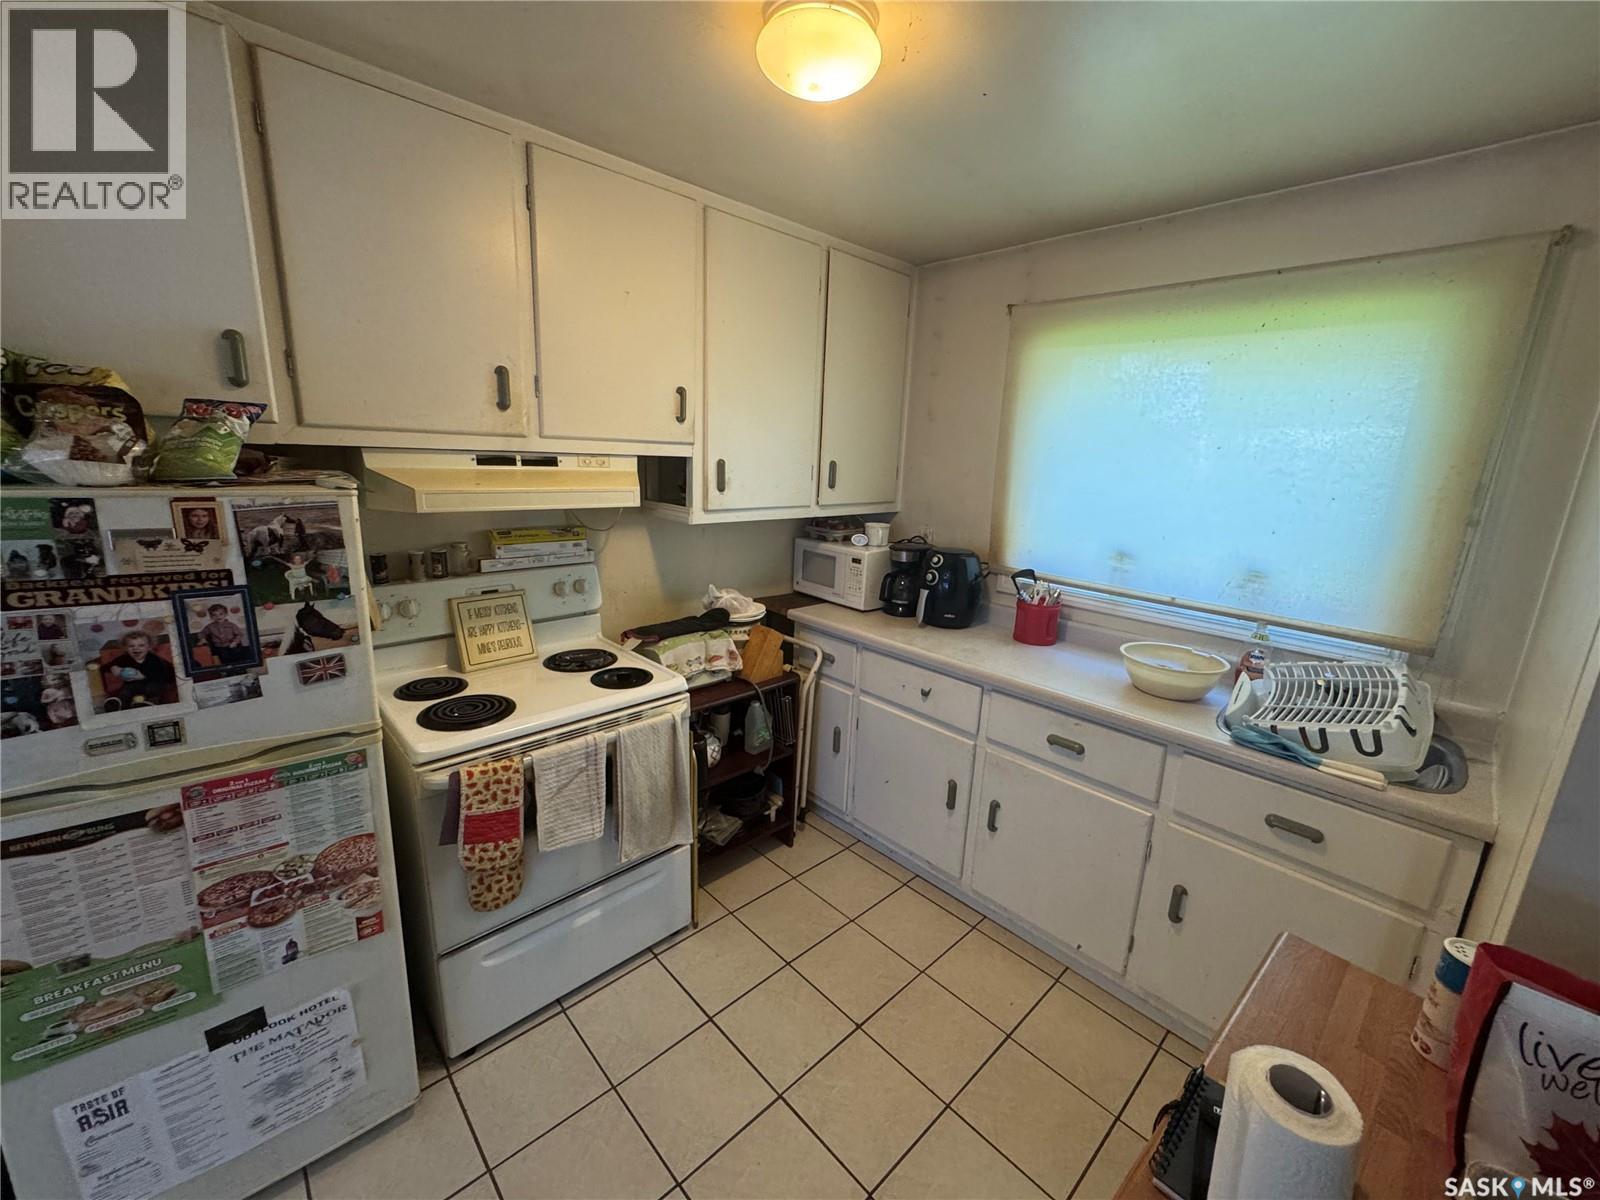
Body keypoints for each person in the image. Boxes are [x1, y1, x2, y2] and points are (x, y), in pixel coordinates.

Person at [100, 631, 177, 709]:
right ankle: (118, 703)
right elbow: (105, 667)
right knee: (126, 691)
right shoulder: (124, 658)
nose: (136, 648)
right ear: (126, 648)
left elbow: (164, 674)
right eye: (131, 646)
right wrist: (113, 668)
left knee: (153, 688)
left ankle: (149, 702)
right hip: (133, 684)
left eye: (141, 645)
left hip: (153, 682)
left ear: (149, 647)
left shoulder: (154, 659)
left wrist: (143, 676)